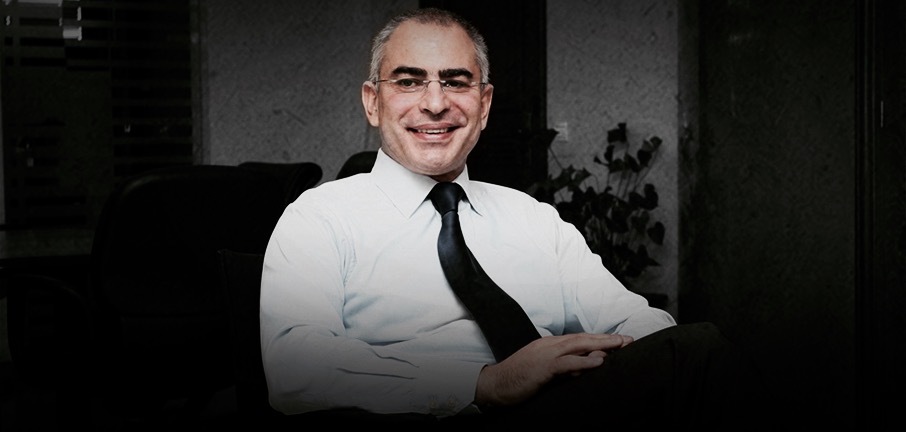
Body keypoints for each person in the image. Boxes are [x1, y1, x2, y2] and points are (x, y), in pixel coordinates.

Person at [260, 7, 768, 429]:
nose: (435, 104)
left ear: (483, 105)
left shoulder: (535, 219)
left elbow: (632, 319)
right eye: (409, 82)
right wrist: (483, 383)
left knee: (693, 353)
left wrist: (627, 357)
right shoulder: (319, 219)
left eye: (456, 82)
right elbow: (295, 370)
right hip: (424, 417)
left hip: (566, 413)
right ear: (373, 102)